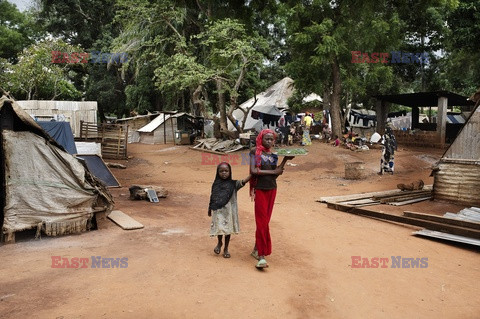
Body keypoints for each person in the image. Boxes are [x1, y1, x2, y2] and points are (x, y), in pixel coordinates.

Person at [249, 129, 293, 269]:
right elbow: (254, 171)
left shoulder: (273, 155)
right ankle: (261, 256)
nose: (269, 141)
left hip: (272, 189)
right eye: (266, 139)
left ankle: (256, 249)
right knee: (261, 222)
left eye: (271, 139)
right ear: (261, 138)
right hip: (260, 189)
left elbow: (275, 174)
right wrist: (274, 171)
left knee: (265, 221)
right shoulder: (255, 152)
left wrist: (285, 159)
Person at [208, 162, 250, 258]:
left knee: (227, 231)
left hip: (229, 212)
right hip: (218, 210)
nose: (224, 173)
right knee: (219, 228)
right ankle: (219, 243)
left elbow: (243, 181)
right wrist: (210, 208)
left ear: (230, 172)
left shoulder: (233, 184)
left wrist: (252, 174)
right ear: (217, 172)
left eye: (226, 171)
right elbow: (213, 196)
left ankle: (226, 248)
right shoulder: (216, 184)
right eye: (221, 171)